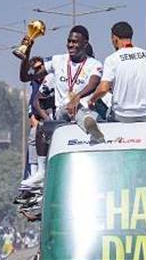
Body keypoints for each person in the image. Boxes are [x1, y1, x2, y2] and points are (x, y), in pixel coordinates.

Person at [20, 25, 105, 190]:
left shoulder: (94, 64)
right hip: (62, 115)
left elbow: (94, 83)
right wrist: (27, 52)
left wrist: (77, 97)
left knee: (83, 112)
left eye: (75, 42)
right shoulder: (58, 60)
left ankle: (91, 127)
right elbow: (25, 77)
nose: (71, 45)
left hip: (83, 108)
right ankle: (41, 173)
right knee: (40, 128)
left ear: (85, 43)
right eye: (69, 41)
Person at [88, 21, 146, 122]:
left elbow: (103, 89)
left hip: (123, 116)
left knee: (98, 103)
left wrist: (92, 100)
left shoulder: (112, 59)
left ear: (114, 38)